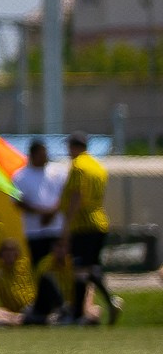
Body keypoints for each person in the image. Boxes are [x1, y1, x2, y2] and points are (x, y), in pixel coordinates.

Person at [58, 133, 116, 323]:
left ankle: (78, 313)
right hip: (99, 222)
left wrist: (66, 227)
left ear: (74, 147)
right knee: (91, 267)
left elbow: (77, 196)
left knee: (80, 270)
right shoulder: (97, 166)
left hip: (83, 225)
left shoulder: (78, 166)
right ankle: (104, 303)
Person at [12, 138, 67, 322]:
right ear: (33, 154)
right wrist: (40, 212)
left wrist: (52, 212)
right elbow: (18, 202)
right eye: (42, 152)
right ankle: (51, 306)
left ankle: (50, 306)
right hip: (34, 231)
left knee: (55, 267)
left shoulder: (57, 172)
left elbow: (65, 195)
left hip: (55, 228)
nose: (45, 156)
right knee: (40, 268)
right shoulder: (20, 176)